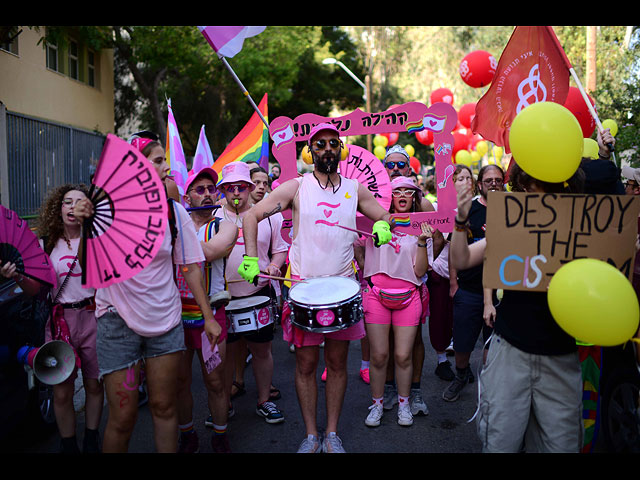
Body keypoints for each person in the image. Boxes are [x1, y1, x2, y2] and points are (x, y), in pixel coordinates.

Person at [237, 122, 394, 453]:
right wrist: (251, 258)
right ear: (310, 151)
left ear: (340, 148)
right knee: (306, 365)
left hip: (343, 292)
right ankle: (311, 435)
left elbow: (384, 214)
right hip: (304, 292)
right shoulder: (296, 186)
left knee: (337, 365)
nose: (326, 150)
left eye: (332, 144)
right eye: (319, 145)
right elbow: (251, 216)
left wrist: (381, 226)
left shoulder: (355, 188)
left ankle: (332, 434)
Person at [73, 131, 219, 453]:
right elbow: (87, 264)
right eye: (157, 160)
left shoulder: (174, 213)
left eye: (165, 159)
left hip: (166, 322)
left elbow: (191, 268)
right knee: (122, 418)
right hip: (116, 323)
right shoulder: (106, 212)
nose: (166, 166)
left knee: (164, 408)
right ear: (137, 168)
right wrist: (88, 225)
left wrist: (209, 317)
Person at [451, 160, 585, 453]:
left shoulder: (581, 229)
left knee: (560, 445)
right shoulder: (513, 225)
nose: (534, 195)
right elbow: (461, 260)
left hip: (560, 354)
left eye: (546, 187)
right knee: (500, 441)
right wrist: (461, 221)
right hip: (511, 349)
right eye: (528, 187)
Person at [21, 184, 103, 453]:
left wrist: (89, 229)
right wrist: (17, 276)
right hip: (60, 323)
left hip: (93, 317)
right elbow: (36, 289)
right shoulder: (46, 244)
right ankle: (68, 444)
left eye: (79, 202)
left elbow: (98, 277)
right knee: (62, 390)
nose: (72, 207)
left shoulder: (98, 240)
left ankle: (91, 437)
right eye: (67, 202)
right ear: (58, 208)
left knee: (93, 384)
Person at [214, 161, 288, 424]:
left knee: (262, 350)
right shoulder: (215, 217)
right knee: (226, 354)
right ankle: (223, 404)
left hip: (259, 292)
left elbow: (280, 249)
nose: (236, 193)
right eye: (230, 188)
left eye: (241, 188)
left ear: (249, 188)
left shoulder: (268, 215)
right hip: (224, 297)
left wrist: (274, 264)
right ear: (222, 189)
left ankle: (264, 400)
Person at [360, 176, 434, 428]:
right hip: (376, 297)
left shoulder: (421, 228)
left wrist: (423, 242)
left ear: (414, 198)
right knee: (379, 356)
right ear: (388, 196)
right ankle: (377, 404)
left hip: (408, 297)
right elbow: (357, 252)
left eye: (407, 192)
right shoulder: (370, 223)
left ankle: (404, 405)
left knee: (403, 356)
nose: (402, 195)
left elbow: (420, 271)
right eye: (397, 191)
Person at [177, 166, 238, 453]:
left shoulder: (226, 225)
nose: (208, 194)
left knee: (215, 381)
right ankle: (187, 433)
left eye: (211, 189)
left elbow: (212, 251)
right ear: (187, 196)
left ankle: (220, 435)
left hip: (212, 314)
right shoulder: (176, 225)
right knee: (180, 382)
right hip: (176, 316)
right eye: (199, 190)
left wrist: (173, 240)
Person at [443, 164, 504, 402]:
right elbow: (453, 249)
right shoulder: (470, 209)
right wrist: (453, 283)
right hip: (468, 288)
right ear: (480, 185)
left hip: (500, 292)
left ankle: (488, 387)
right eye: (488, 181)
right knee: (462, 344)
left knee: (493, 345)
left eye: (498, 180)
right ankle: (461, 375)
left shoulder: (513, 210)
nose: (494, 184)